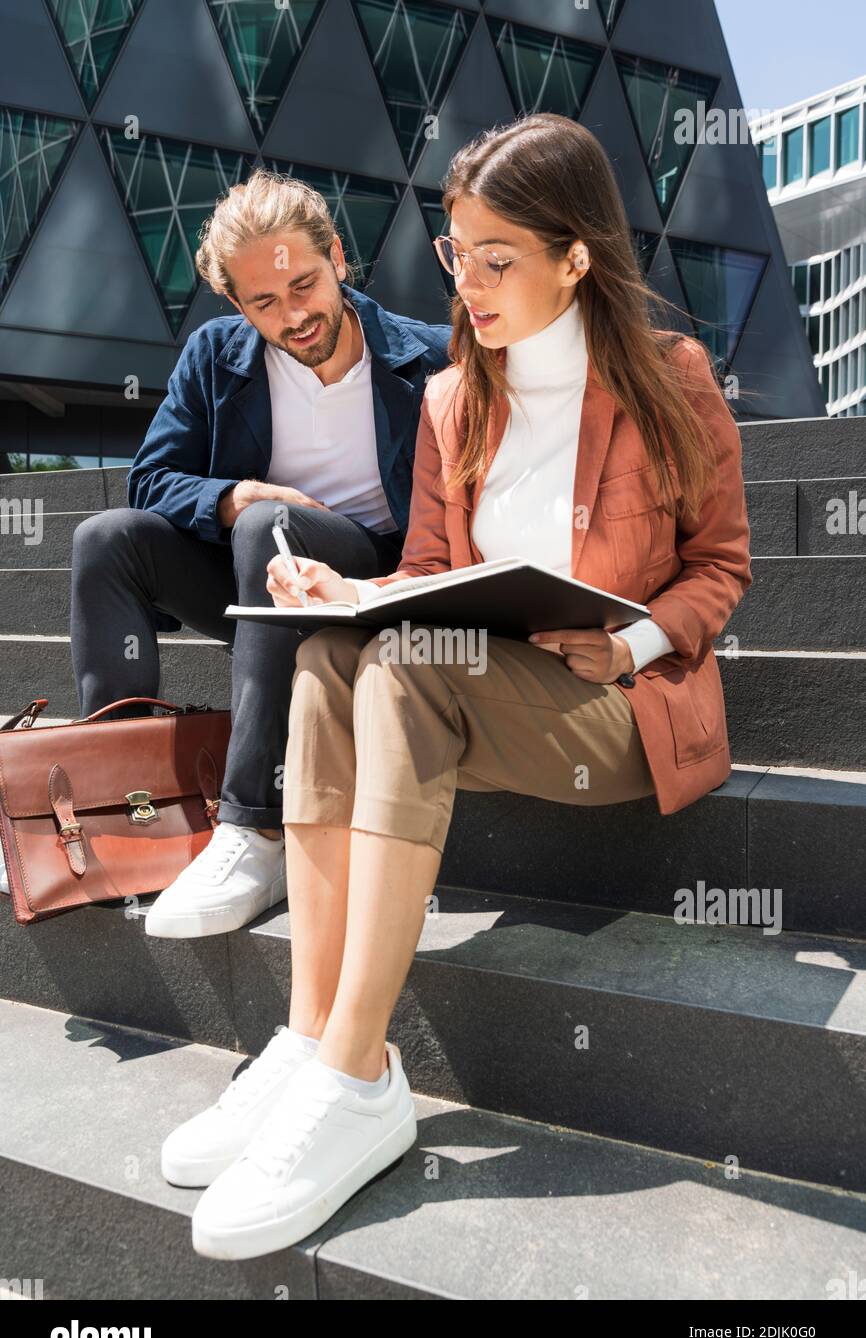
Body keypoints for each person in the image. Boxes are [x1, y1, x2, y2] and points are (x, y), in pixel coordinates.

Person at [173, 113, 752, 1261]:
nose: (470, 284)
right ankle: (308, 1042)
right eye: (457, 255)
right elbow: (432, 576)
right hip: (485, 683)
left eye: (498, 259)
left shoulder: (670, 380)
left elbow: (720, 562)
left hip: (615, 707)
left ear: (573, 257)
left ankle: (357, 1073)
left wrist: (633, 644)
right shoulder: (451, 398)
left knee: (395, 676)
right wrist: (352, 594)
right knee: (343, 651)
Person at [64, 169, 450, 937]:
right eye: (264, 303)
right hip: (256, 584)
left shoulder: (431, 358)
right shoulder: (217, 355)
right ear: (237, 305)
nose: (294, 315)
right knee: (103, 537)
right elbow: (150, 479)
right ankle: (125, 809)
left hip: (375, 581)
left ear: (338, 257)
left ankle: (258, 826)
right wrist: (232, 495)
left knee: (265, 523)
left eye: (304, 284)